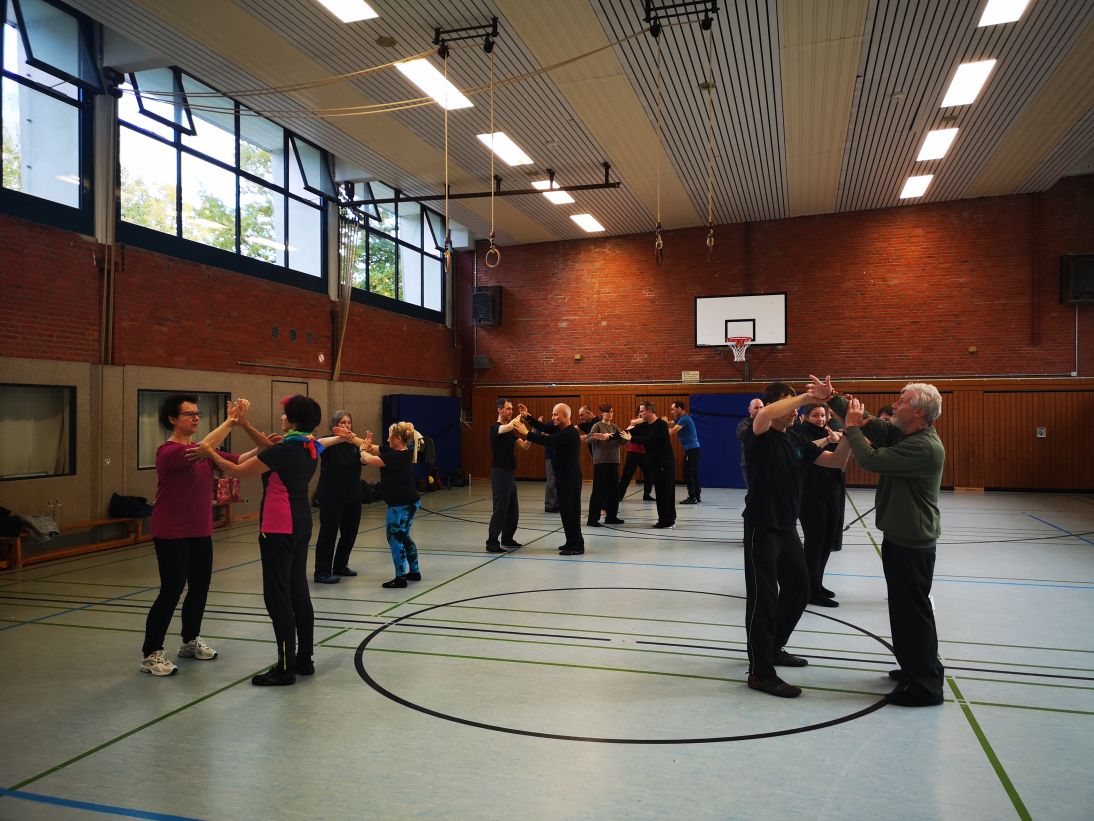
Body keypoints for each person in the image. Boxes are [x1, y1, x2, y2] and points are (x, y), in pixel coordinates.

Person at [195, 395, 335, 686]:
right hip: (301, 523)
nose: (281, 418)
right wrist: (246, 424)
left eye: (284, 415)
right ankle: (304, 659)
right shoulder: (308, 445)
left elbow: (236, 470)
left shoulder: (285, 450)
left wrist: (209, 452)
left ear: (293, 420)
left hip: (279, 525)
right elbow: (272, 447)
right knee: (298, 591)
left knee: (277, 596)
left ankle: (284, 668)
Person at [826, 381, 946, 707]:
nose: (894, 405)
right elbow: (873, 424)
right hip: (900, 538)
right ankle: (915, 668)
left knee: (913, 615)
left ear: (918, 412)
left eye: (901, 401)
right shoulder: (906, 434)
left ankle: (926, 686)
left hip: (912, 544)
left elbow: (870, 459)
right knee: (905, 612)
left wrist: (851, 428)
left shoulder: (923, 446)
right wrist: (832, 398)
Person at [741, 380, 849, 698]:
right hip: (762, 525)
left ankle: (773, 647)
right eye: (789, 406)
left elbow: (835, 461)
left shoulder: (796, 441)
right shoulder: (757, 434)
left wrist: (850, 434)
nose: (794, 412)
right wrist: (806, 396)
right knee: (763, 599)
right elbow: (764, 416)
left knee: (800, 588)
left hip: (787, 527)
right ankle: (760, 672)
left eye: (796, 406)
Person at [139, 395, 251, 677]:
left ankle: (190, 641)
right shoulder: (169, 451)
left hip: (200, 531)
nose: (196, 417)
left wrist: (267, 445)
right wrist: (231, 421)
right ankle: (151, 653)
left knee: (200, 587)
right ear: (172, 419)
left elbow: (238, 460)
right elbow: (205, 448)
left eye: (197, 413)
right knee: (172, 589)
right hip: (171, 532)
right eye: (189, 414)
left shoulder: (203, 453)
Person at [514, 404, 584, 554]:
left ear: (565, 416)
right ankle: (571, 541)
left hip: (570, 478)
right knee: (565, 511)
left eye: (555, 414)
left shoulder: (570, 433)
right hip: (563, 477)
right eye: (552, 414)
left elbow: (548, 440)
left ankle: (577, 545)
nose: (553, 418)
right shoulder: (560, 429)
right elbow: (544, 427)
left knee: (571, 511)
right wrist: (528, 417)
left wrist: (526, 433)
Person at [359, 422, 422, 589]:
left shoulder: (394, 457)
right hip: (410, 501)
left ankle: (400, 578)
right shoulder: (402, 452)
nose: (387, 440)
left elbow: (367, 458)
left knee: (394, 538)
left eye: (389, 436)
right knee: (404, 536)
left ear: (398, 438)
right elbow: (372, 447)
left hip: (400, 505)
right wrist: (352, 439)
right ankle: (414, 571)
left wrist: (362, 450)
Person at [796, 404, 845, 607]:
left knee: (827, 541)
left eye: (823, 415)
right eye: (815, 415)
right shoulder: (800, 433)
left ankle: (817, 584)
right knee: (814, 542)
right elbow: (805, 451)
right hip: (810, 494)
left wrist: (841, 440)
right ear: (806, 416)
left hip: (831, 492)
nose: (820, 419)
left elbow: (841, 460)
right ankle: (809, 590)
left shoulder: (829, 430)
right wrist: (828, 441)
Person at [313, 409, 362, 584]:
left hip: (352, 494)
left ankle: (340, 565)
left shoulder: (354, 444)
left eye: (349, 422)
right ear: (334, 425)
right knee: (328, 533)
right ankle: (322, 572)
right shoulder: (327, 442)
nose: (347, 425)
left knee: (350, 532)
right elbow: (317, 444)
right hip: (331, 494)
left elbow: (367, 452)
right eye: (342, 422)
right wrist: (342, 437)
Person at [486, 398, 530, 553]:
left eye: (512, 409)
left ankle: (507, 538)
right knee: (500, 509)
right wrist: (521, 416)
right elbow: (510, 426)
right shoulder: (496, 428)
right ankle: (492, 542)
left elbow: (524, 446)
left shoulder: (510, 432)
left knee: (513, 510)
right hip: (499, 474)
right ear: (499, 410)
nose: (511, 411)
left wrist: (533, 433)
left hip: (510, 474)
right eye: (508, 408)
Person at [627, 402, 675, 529]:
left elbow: (650, 440)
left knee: (665, 492)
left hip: (665, 462)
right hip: (655, 463)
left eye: (642, 411)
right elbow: (627, 433)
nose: (640, 414)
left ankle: (667, 521)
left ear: (649, 410)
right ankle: (667, 519)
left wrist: (631, 438)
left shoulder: (661, 425)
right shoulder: (644, 426)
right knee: (660, 491)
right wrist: (608, 436)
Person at [585, 403, 630, 527]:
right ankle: (592, 519)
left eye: (611, 411)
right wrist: (599, 437)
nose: (610, 414)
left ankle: (611, 517)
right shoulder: (597, 425)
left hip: (613, 461)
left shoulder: (615, 427)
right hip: (601, 462)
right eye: (607, 412)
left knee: (614, 491)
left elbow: (622, 441)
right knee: (598, 490)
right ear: (602, 413)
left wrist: (628, 437)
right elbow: (588, 439)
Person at [667, 400, 701, 504]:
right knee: (693, 472)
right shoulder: (680, 418)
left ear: (679, 409)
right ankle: (696, 495)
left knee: (687, 473)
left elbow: (672, 431)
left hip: (692, 450)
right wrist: (664, 422)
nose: (672, 411)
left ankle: (692, 497)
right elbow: (671, 424)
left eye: (673, 409)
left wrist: (662, 426)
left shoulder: (684, 419)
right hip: (693, 449)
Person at [618, 405, 654, 501]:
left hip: (644, 452)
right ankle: (619, 495)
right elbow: (632, 425)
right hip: (633, 451)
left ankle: (647, 495)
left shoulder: (647, 423)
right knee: (627, 474)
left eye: (642, 412)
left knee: (649, 474)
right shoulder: (635, 422)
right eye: (640, 412)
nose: (641, 414)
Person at [736, 398, 764, 487]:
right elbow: (742, 434)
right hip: (750, 464)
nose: (759, 410)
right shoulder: (744, 424)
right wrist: (758, 426)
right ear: (749, 409)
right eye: (756, 407)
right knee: (753, 491)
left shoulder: (768, 423)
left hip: (766, 463)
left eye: (761, 407)